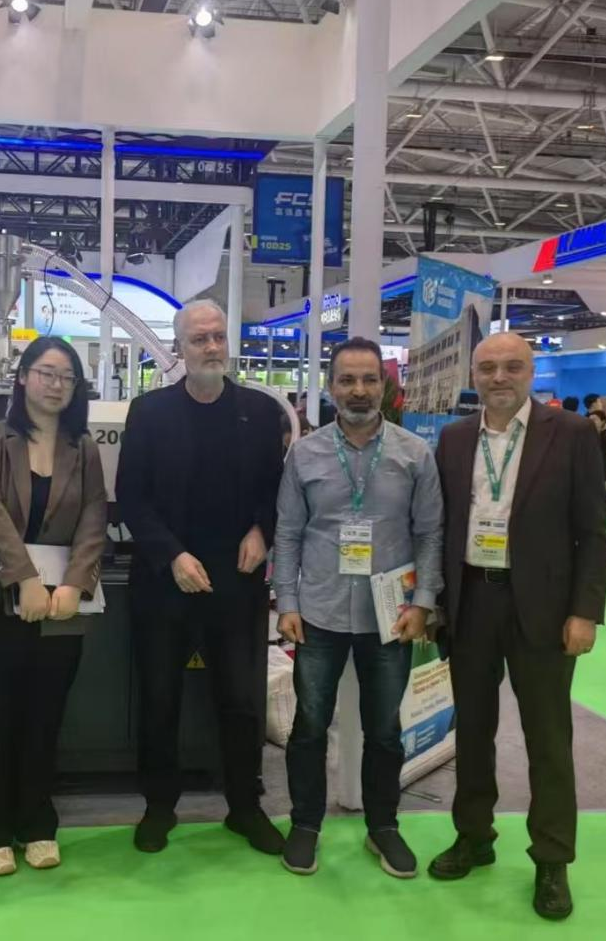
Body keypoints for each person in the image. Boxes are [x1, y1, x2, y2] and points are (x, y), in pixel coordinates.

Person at [429, 333, 606, 922]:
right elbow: (442, 527)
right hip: (472, 602)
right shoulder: (455, 439)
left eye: (512, 366)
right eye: (488, 368)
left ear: (531, 372)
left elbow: (594, 533)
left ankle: (552, 859)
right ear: (473, 377)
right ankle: (473, 836)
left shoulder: (572, 434)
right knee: (472, 730)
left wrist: (585, 611)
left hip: (545, 609)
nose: (499, 377)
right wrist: (436, 603)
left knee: (548, 738)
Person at [115, 299, 286, 856]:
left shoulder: (260, 413)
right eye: (199, 339)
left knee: (240, 700)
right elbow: (132, 497)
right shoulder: (149, 413)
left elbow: (275, 491)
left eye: (218, 337)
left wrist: (262, 531)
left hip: (237, 580)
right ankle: (158, 806)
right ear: (179, 348)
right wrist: (172, 556)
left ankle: (245, 806)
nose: (211, 347)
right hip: (166, 581)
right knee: (159, 698)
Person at [273, 337, 444, 878]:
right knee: (309, 726)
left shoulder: (414, 454)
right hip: (318, 613)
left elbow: (430, 534)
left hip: (390, 617)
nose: (359, 390)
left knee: (385, 730)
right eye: (347, 380)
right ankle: (305, 825)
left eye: (369, 379)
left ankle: (383, 827)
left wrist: (424, 602)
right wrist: (287, 601)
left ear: (385, 387)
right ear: (330, 387)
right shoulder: (305, 454)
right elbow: (288, 533)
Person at [0, 336, 108, 876]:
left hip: (60, 608)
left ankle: (36, 823)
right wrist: (25, 580)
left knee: (44, 719)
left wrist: (75, 585)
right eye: (46, 373)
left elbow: (94, 517)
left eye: (67, 377)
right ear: (23, 378)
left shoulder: (83, 448)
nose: (56, 385)